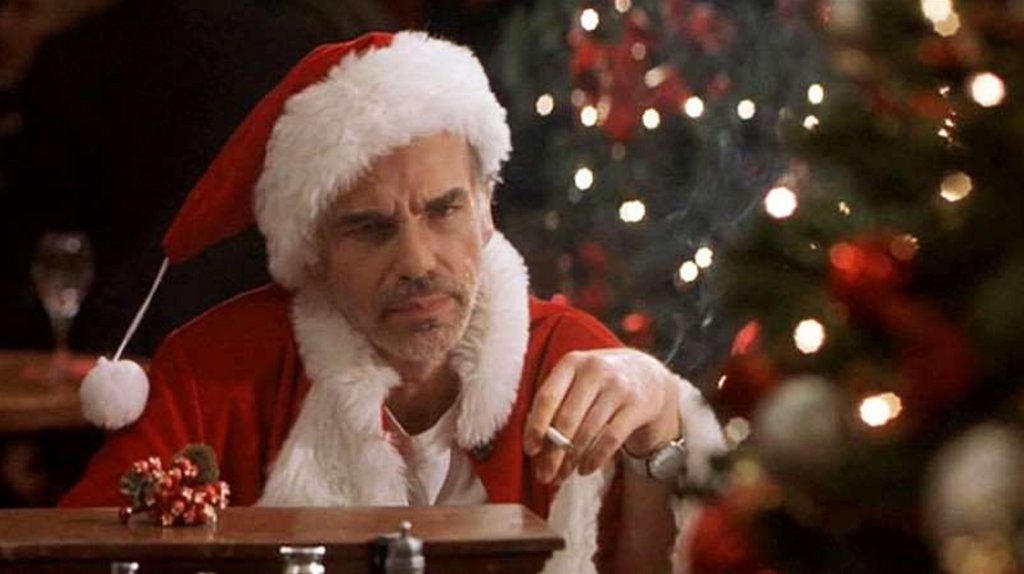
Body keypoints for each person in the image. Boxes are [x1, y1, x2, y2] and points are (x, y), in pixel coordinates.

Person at [60, 31, 726, 573]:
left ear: (486, 209)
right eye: (372, 229)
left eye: (444, 210)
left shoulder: (568, 356)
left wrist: (661, 422)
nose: (418, 262)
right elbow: (73, 551)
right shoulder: (217, 369)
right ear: (313, 248)